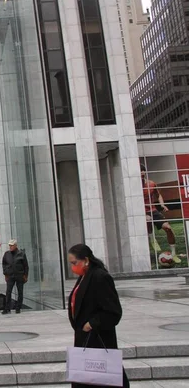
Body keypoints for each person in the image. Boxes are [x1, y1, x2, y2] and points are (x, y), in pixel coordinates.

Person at [67, 244, 129, 388]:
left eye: (74, 263)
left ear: (86, 260)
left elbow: (113, 312)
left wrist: (92, 324)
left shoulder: (100, 277)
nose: (72, 267)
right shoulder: (84, 276)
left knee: (104, 379)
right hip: (84, 339)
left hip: (97, 339)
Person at [141, 164, 180, 263]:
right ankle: (152, 239)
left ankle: (174, 254)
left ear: (145, 173)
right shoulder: (134, 187)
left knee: (168, 228)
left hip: (153, 210)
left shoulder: (152, 184)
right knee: (148, 219)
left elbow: (158, 196)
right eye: (139, 173)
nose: (141, 175)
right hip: (142, 211)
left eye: (143, 172)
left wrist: (162, 205)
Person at [2, 239, 29, 314]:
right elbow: (4, 264)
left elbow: (26, 266)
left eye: (12, 245)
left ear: (16, 245)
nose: (10, 246)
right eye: (9, 245)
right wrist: (5, 273)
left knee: (20, 292)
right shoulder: (6, 254)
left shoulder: (21, 254)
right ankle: (7, 308)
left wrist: (25, 275)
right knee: (8, 292)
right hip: (10, 275)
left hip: (19, 275)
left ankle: (18, 308)